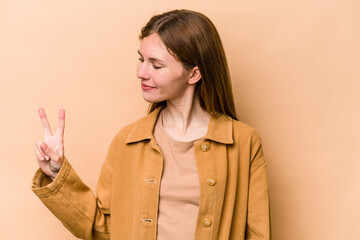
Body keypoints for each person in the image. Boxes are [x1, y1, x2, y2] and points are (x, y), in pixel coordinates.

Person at [32, 9, 271, 240]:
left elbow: (259, 234)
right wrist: (57, 173)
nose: (141, 72)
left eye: (156, 65)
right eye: (141, 59)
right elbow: (102, 228)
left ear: (193, 74)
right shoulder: (127, 141)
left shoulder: (243, 142)